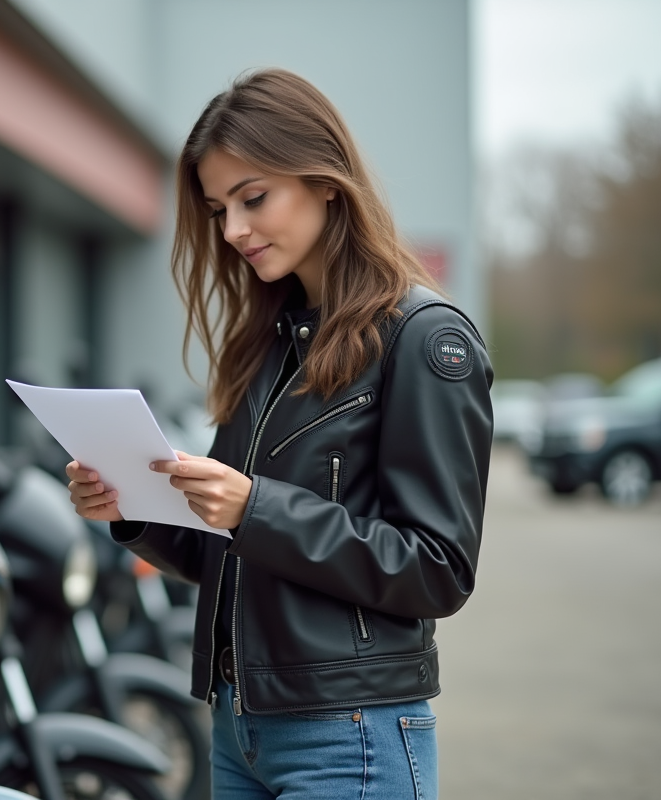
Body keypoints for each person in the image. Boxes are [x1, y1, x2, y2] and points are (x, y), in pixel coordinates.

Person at [65, 69, 492, 800]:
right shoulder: (269, 343)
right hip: (239, 730)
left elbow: (437, 567)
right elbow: (228, 556)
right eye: (217, 208)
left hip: (350, 733)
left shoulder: (425, 339)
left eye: (253, 198)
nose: (232, 231)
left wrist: (251, 506)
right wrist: (130, 505)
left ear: (327, 181)